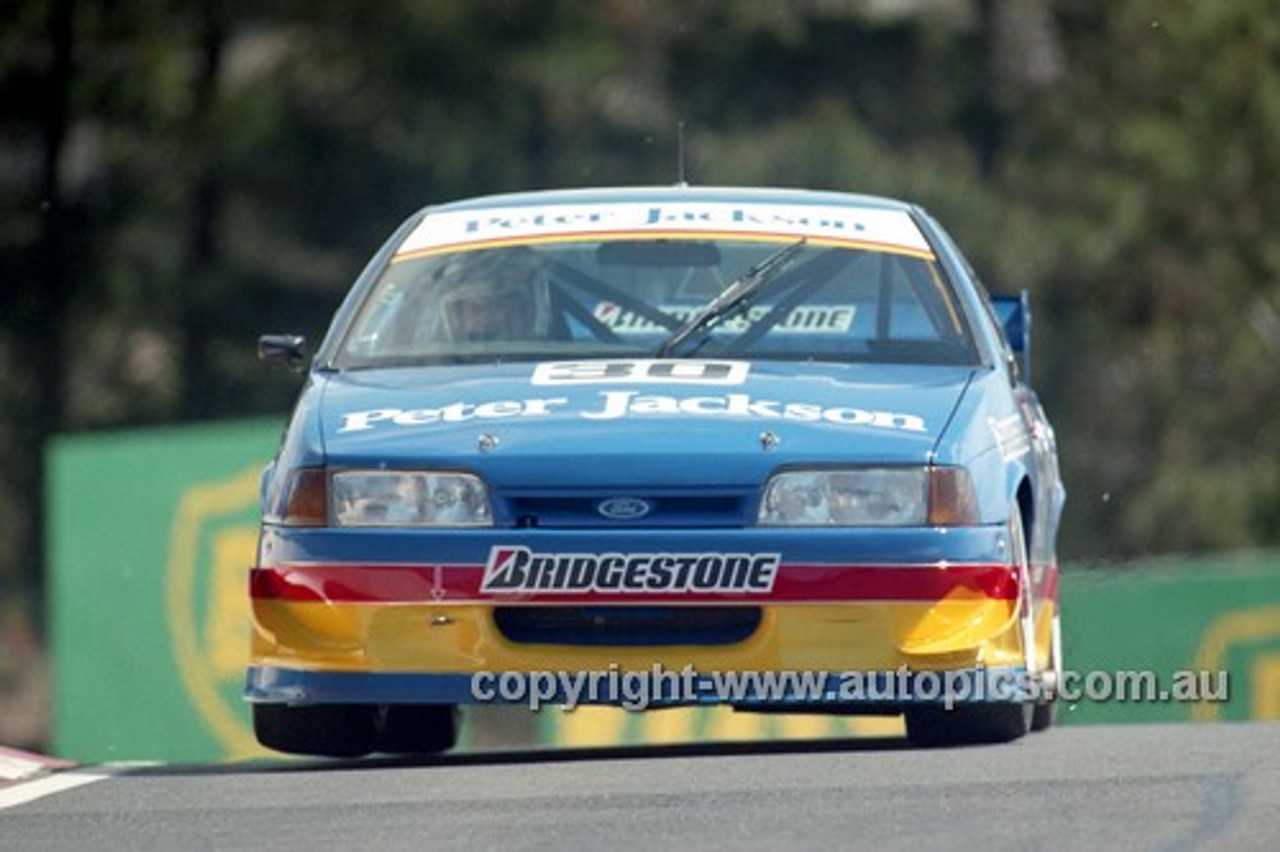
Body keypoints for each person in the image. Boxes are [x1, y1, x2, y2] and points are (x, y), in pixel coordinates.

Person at [434, 249, 548, 343]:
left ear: (526, 311)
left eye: (501, 306)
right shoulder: (432, 364)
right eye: (476, 309)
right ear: (456, 316)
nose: (488, 319)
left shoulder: (552, 359)